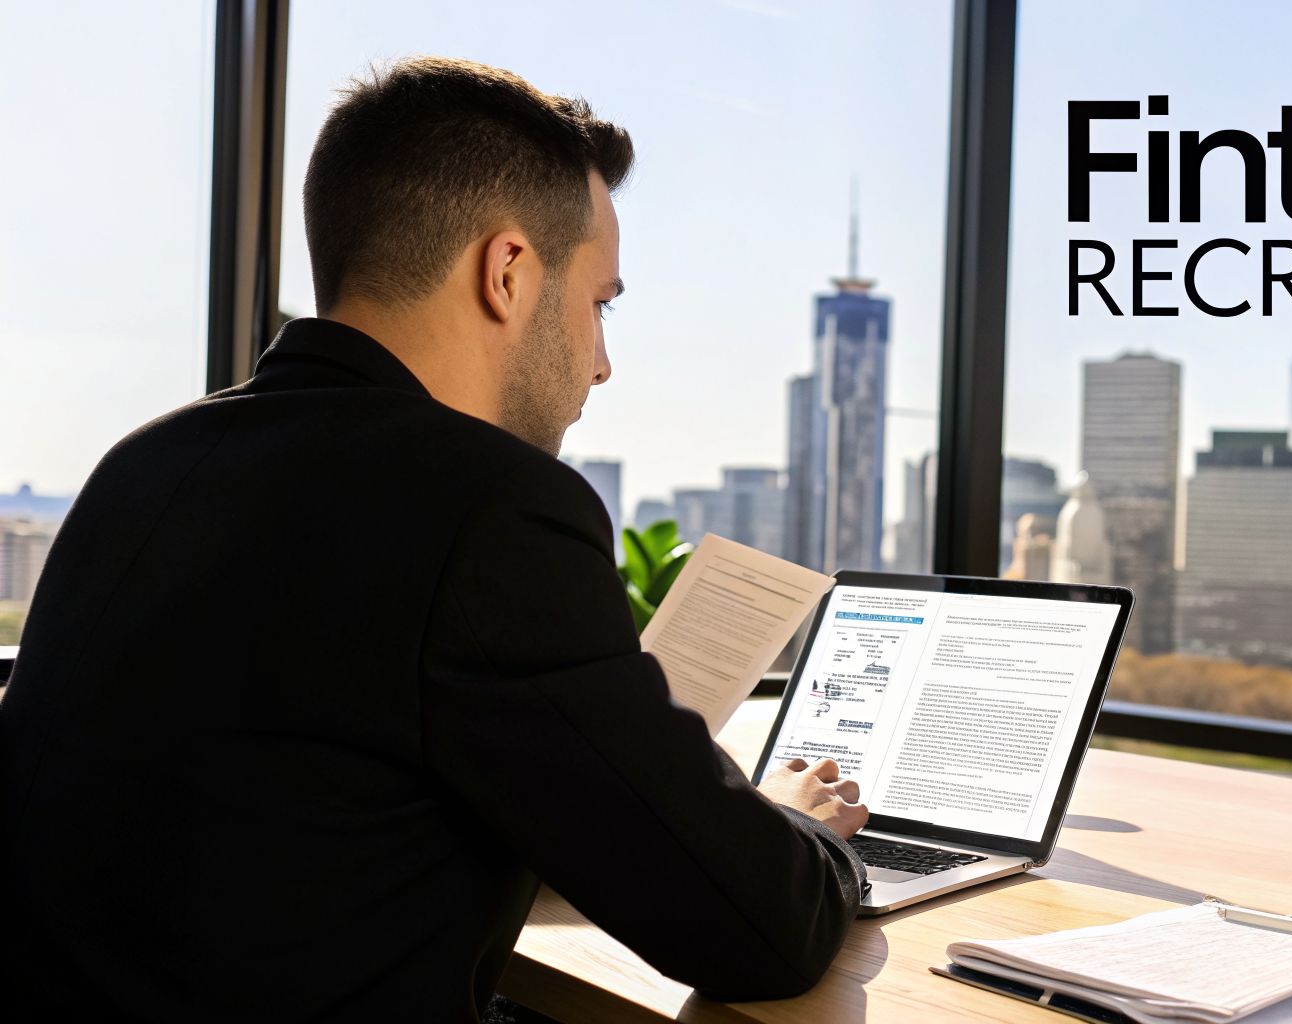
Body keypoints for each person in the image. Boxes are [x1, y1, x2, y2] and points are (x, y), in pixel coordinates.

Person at [0, 56, 868, 1021]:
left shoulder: (144, 465)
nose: (602, 362)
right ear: (508, 273)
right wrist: (797, 829)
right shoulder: (491, 509)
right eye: (600, 303)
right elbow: (760, 930)